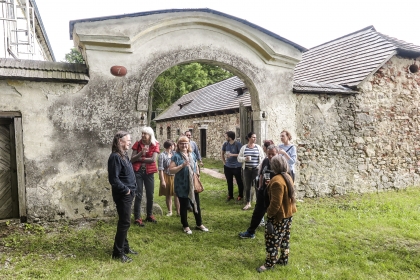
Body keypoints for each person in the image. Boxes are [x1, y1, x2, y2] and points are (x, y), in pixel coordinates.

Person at [256, 155, 297, 273]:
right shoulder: (287, 176)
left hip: (279, 216)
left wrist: (269, 214)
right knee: (284, 238)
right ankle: (284, 259)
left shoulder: (277, 181)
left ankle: (269, 263)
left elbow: (275, 203)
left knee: (272, 240)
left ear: (274, 166)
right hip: (288, 214)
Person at [108, 131, 138, 263]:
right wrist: (126, 190)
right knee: (124, 222)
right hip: (123, 194)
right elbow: (114, 179)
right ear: (120, 141)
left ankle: (125, 247)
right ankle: (117, 252)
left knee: (125, 221)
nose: (130, 142)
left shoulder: (123, 155)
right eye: (128, 140)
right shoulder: (115, 157)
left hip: (129, 193)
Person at [169, 136, 208, 234]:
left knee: (196, 204)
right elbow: (171, 169)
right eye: (181, 143)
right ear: (178, 145)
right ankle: (185, 225)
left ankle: (199, 224)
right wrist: (182, 166)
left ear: (188, 144)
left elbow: (195, 165)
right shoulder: (176, 156)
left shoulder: (192, 154)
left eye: (186, 143)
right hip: (182, 184)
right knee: (183, 205)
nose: (184, 145)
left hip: (192, 184)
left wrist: (197, 173)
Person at [239, 145, 278, 239]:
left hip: (274, 193)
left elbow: (283, 177)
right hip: (263, 191)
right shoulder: (265, 160)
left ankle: (275, 234)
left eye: (273, 154)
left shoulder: (279, 163)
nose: (271, 156)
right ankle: (250, 232)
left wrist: (272, 183)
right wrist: (260, 186)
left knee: (273, 213)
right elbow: (261, 174)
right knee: (257, 212)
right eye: (269, 154)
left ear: (277, 153)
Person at [131, 126, 160, 226]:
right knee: (138, 194)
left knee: (150, 194)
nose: (142, 135)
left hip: (149, 172)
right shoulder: (137, 144)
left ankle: (149, 215)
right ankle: (137, 218)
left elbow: (153, 160)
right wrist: (140, 153)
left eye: (145, 134)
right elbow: (132, 159)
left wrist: (140, 159)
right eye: (142, 133)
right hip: (138, 172)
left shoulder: (155, 144)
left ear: (150, 135)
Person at [237, 132, 265, 210]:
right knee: (247, 186)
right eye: (253, 137)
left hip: (256, 170)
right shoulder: (244, 148)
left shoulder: (258, 147)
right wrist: (245, 159)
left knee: (257, 186)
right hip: (247, 170)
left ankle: (258, 203)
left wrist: (259, 166)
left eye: (255, 137)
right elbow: (239, 158)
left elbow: (263, 158)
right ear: (249, 138)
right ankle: (248, 203)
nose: (255, 139)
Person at [158, 140, 180, 216]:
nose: (174, 147)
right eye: (173, 145)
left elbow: (178, 151)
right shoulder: (162, 155)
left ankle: (178, 212)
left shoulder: (174, 154)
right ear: (170, 146)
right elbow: (160, 169)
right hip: (166, 175)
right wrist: (162, 181)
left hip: (175, 176)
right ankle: (170, 211)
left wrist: (176, 146)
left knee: (176, 194)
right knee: (168, 194)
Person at [221, 131, 244, 202]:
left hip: (237, 166)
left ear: (230, 137)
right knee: (229, 181)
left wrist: (232, 155)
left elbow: (241, 154)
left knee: (239, 181)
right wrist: (224, 162)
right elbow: (222, 153)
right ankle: (230, 195)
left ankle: (240, 195)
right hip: (228, 167)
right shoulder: (225, 144)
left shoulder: (238, 144)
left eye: (226, 136)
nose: (225, 137)